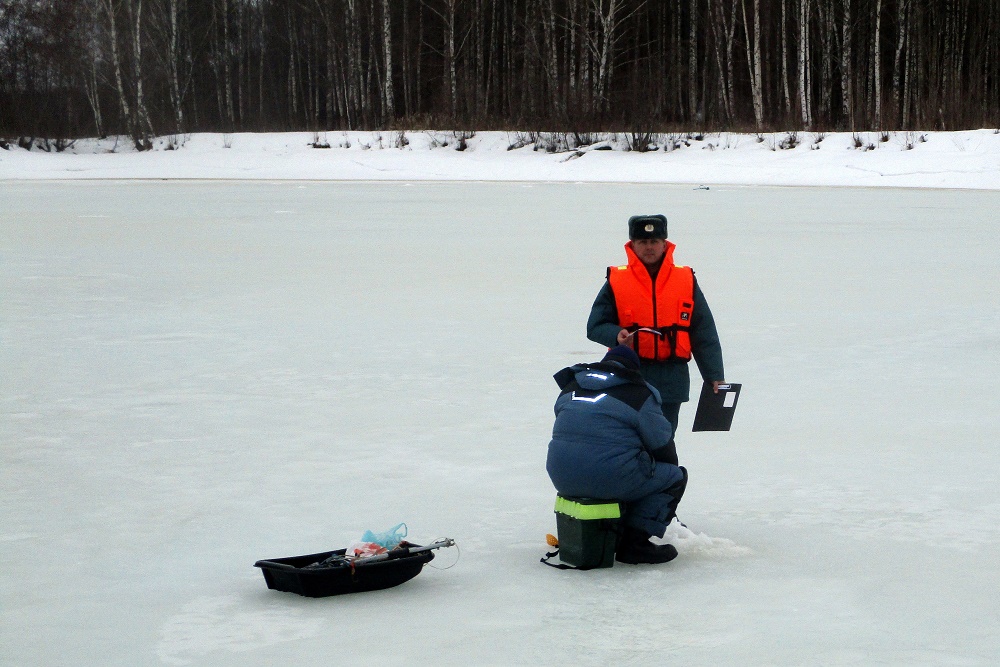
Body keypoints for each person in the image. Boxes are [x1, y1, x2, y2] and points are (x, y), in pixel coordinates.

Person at [587, 214, 725, 466]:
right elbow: (595, 326)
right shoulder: (617, 280)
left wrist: (714, 375)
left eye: (654, 240)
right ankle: (631, 494)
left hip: (672, 379)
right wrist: (615, 335)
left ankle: (659, 497)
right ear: (632, 245)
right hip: (630, 377)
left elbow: (703, 331)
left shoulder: (685, 279)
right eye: (642, 241)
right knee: (630, 441)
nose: (649, 247)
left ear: (665, 243)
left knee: (663, 441)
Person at [546, 345, 687, 565]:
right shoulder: (638, 393)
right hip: (608, 476)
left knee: (618, 462)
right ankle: (634, 544)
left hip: (561, 476)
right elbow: (662, 444)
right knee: (672, 477)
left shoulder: (570, 387)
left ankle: (609, 532)